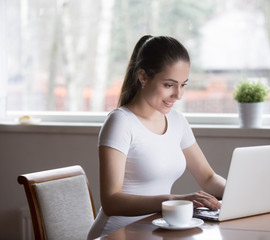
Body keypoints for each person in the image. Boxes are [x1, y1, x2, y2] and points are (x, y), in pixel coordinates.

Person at [87, 35, 226, 239]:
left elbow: (208, 177)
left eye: (183, 85)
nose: (178, 95)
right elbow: (111, 201)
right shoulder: (120, 122)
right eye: (169, 85)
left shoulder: (177, 121)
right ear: (143, 77)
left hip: (155, 231)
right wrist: (173, 200)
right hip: (116, 234)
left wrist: (241, 195)